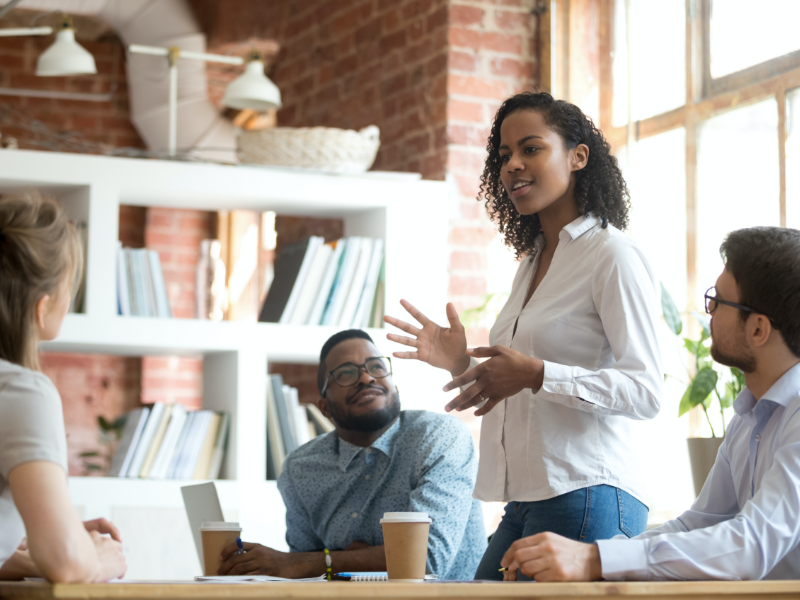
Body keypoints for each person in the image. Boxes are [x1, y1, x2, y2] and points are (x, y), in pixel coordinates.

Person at [384, 91, 662, 580]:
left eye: (531, 149)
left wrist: (536, 373)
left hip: (590, 492)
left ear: (578, 157)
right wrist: (459, 365)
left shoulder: (611, 256)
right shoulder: (532, 263)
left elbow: (645, 391)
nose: (512, 165)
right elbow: (521, 382)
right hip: (528, 500)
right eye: (504, 155)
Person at [500, 226, 800, 581]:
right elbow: (699, 523)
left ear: (758, 329)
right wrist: (601, 555)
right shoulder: (750, 417)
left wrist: (595, 560)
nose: (710, 312)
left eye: (718, 301)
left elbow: (750, 546)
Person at [217, 329, 486, 580]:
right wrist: (343, 560)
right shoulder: (300, 468)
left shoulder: (438, 437)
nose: (367, 377)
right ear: (324, 407)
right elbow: (305, 575)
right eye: (345, 373)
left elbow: (425, 560)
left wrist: (325, 561)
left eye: (377, 367)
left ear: (395, 388)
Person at [0, 192, 127, 582]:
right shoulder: (22, 392)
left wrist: (39, 540)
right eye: (69, 286)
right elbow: (68, 564)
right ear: (42, 307)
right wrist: (98, 558)